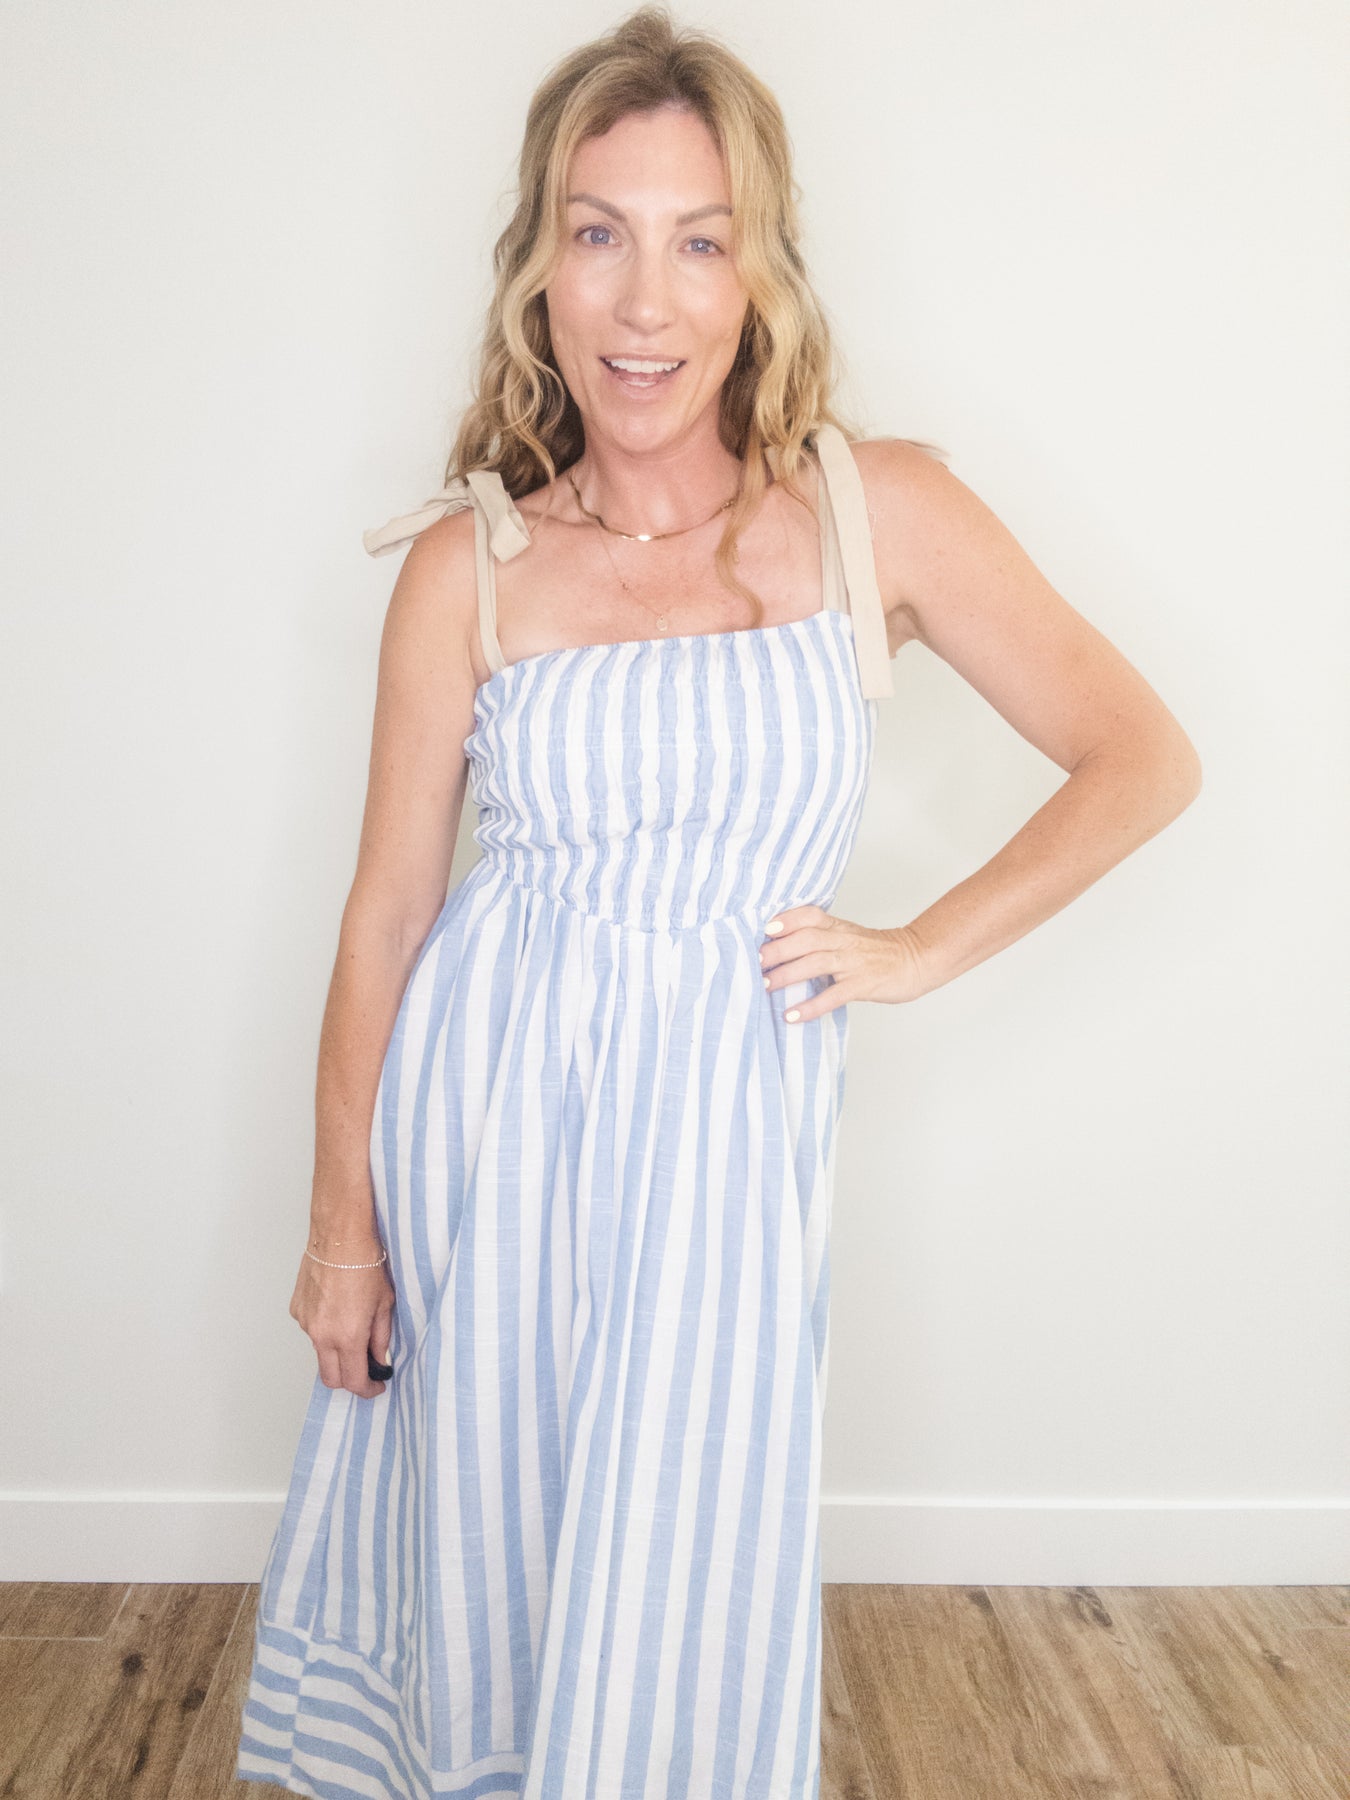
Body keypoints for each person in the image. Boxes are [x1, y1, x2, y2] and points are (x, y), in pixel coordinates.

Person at [234, 8, 1202, 1797]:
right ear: (538, 266)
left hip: (725, 1148)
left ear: (760, 272)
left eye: (698, 241)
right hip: (487, 1134)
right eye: (598, 233)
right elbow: (386, 917)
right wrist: (339, 1235)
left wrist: (916, 949)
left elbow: (1139, 755)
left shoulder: (876, 511)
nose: (643, 302)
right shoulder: (468, 565)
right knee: (491, 1536)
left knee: (687, 1556)